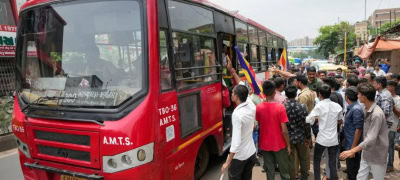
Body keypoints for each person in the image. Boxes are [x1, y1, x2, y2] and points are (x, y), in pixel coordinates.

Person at [340, 83, 389, 180]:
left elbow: (371, 138)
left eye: (359, 94)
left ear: (364, 97)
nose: (357, 96)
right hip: (366, 152)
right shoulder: (364, 108)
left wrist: (352, 150)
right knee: (360, 177)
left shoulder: (377, 114)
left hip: (377, 154)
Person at [306, 84, 343, 180]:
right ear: (330, 93)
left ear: (320, 95)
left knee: (317, 161)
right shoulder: (337, 106)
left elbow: (309, 120)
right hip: (333, 139)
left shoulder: (319, 106)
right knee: (332, 162)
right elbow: (340, 120)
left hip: (322, 139)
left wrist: (316, 119)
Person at [221, 85, 257, 180]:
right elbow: (242, 85)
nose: (231, 94)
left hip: (240, 158)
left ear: (236, 97)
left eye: (232, 92)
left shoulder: (237, 115)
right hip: (251, 154)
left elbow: (236, 143)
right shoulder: (251, 105)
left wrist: (227, 163)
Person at [256, 80, 291, 180]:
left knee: (269, 172)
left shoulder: (259, 107)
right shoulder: (280, 107)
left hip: (265, 144)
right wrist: (288, 145)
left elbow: (259, 123)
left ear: (263, 93)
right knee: (284, 172)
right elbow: (284, 130)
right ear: (274, 92)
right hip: (279, 144)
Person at [284, 85, 310, 180]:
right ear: (296, 95)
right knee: (303, 158)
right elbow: (306, 124)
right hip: (301, 136)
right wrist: (308, 137)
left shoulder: (283, 107)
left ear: (286, 95)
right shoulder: (302, 106)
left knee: (290, 160)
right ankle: (304, 177)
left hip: (288, 138)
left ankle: (292, 177)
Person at [342, 87, 364, 180]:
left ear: (347, 97)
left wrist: (353, 149)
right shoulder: (352, 107)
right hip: (349, 142)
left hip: (353, 145)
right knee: (351, 169)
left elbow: (358, 129)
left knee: (353, 170)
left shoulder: (356, 109)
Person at [386, 80, 400, 172]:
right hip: (384, 126)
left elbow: (399, 113)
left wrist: (393, 105)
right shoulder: (386, 97)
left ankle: (390, 165)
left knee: (390, 145)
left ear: (393, 88)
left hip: (392, 126)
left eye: (388, 87)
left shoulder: (398, 99)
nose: (387, 88)